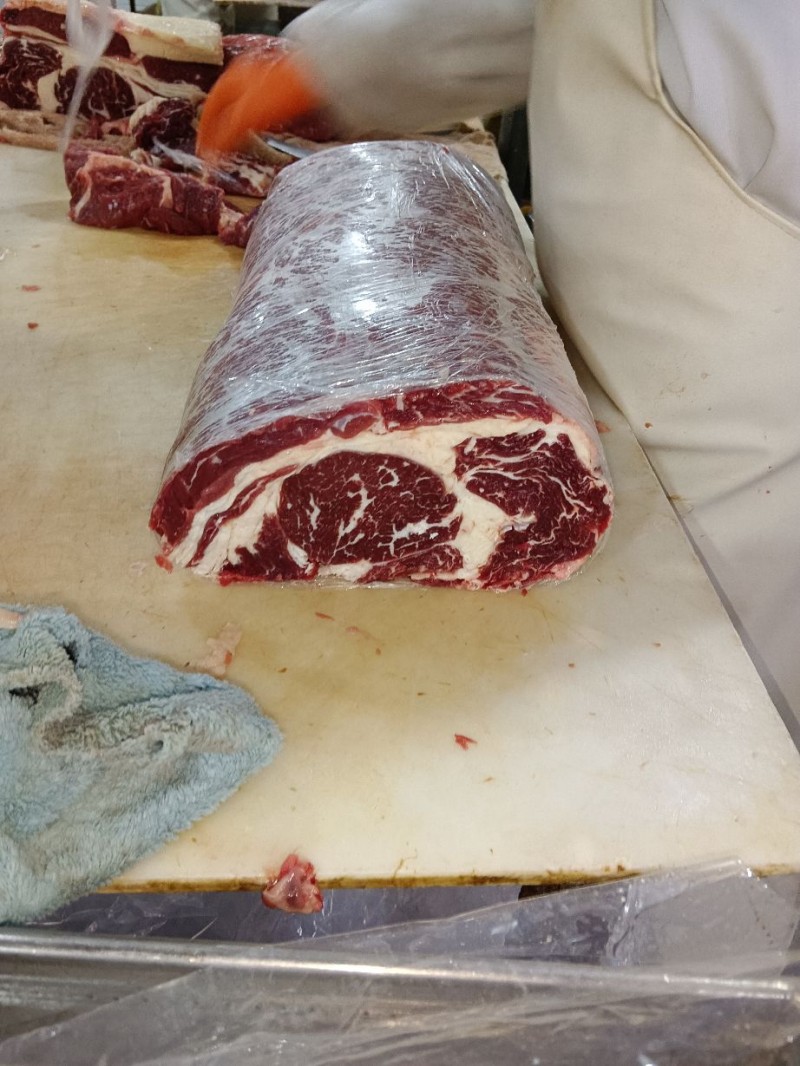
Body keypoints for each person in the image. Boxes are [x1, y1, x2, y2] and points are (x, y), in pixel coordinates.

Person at [207, 0, 800, 739]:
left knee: (692, 733)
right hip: (552, 390)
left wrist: (339, 61)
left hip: (738, 464)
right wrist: (333, 63)